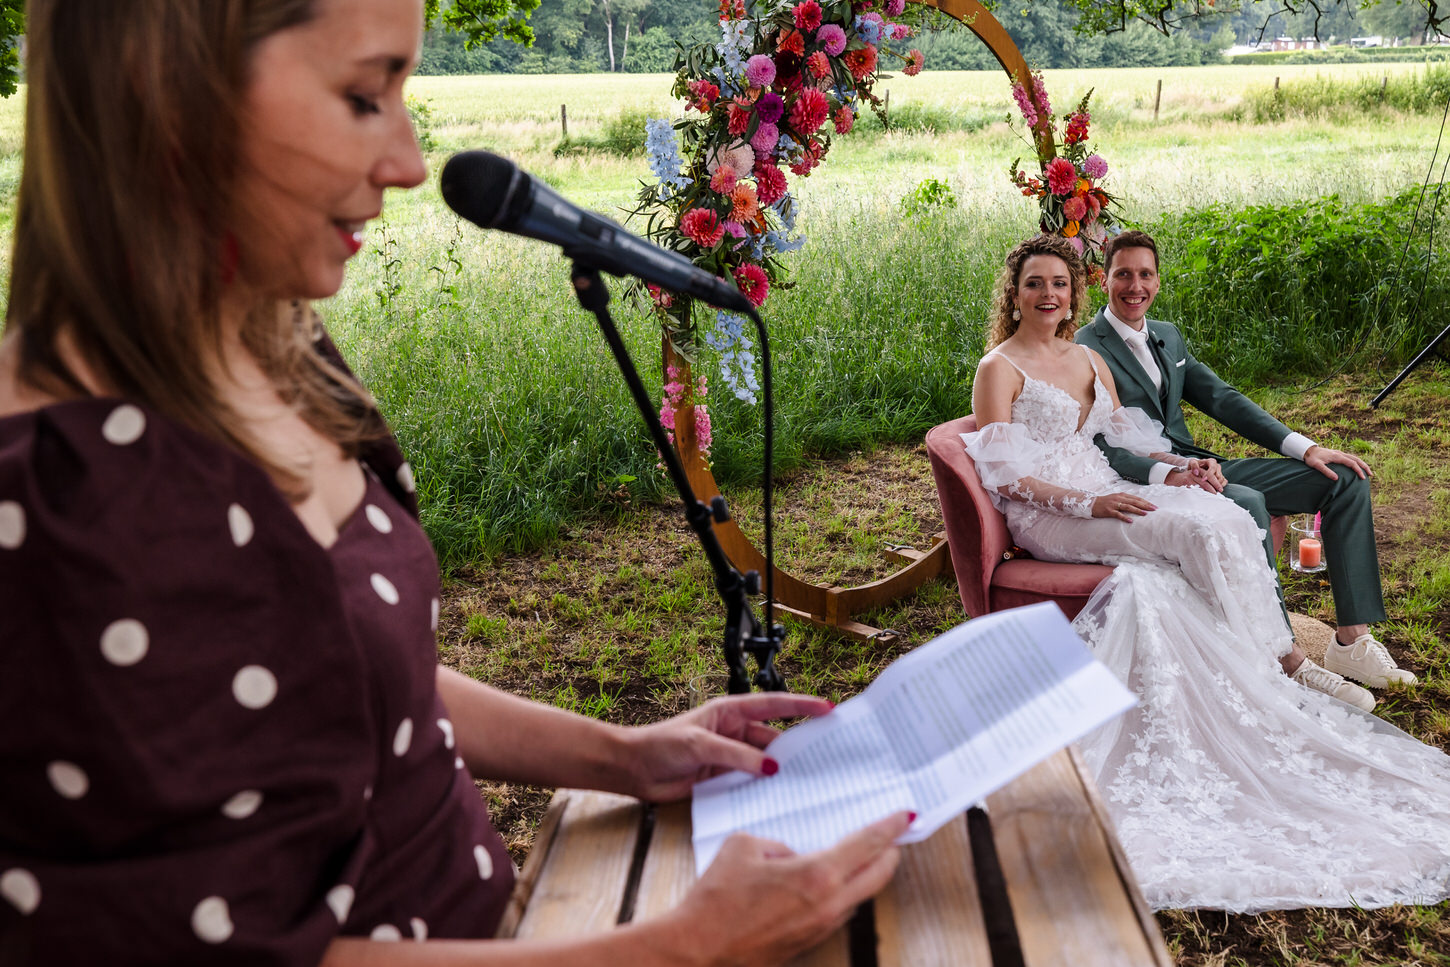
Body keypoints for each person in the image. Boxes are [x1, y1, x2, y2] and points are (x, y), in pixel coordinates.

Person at [0, 3, 910, 965]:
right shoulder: (57, 503)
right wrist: (681, 947)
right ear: (167, 95)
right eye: (364, 95)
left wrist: (627, 754)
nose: (406, 162)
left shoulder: (278, 343)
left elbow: (356, 675)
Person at [962, 235, 1450, 912]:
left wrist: (1182, 467)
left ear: (1073, 293)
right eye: (1035, 284)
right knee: (1196, 528)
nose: (1049, 295)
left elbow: (1127, 436)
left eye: (1059, 284)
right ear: (1014, 294)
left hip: (1108, 485)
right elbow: (1002, 473)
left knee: (1220, 516)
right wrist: (1088, 502)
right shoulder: (999, 365)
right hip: (1054, 511)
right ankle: (1278, 668)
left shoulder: (1085, 358)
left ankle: (1270, 660)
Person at [1075, 230, 1414, 694]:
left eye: (1146, 274)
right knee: (1249, 500)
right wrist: (1171, 473)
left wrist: (1305, 448)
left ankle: (1352, 640)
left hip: (1203, 467)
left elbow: (1222, 398)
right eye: (1123, 275)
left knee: (1343, 479)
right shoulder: (1084, 347)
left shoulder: (1167, 335)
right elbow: (1097, 441)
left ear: (1158, 280)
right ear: (1103, 280)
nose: (1136, 286)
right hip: (1147, 480)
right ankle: (1282, 654)